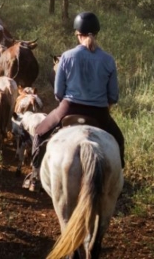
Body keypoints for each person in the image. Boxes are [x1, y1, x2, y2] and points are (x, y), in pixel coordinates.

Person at [25, 11, 125, 192]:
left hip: (69, 108)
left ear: (77, 34)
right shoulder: (108, 60)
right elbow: (113, 97)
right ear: (97, 33)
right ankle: (118, 181)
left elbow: (58, 93)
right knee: (119, 140)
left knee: (40, 133)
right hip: (99, 113)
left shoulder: (66, 57)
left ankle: (34, 176)